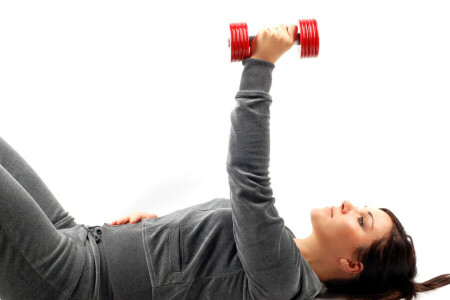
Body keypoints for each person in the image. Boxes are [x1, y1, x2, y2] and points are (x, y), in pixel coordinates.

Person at [0, 23, 448, 300]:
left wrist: (261, 64)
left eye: (363, 221)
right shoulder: (278, 249)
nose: (350, 204)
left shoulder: (283, 278)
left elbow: (248, 176)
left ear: (352, 264)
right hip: (79, 238)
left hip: (69, 280)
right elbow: (191, 267)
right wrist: (147, 234)